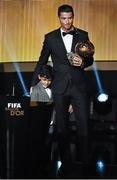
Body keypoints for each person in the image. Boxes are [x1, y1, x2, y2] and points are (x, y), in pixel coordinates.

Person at [31, 4, 94, 171]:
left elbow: (90, 59)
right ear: (59, 18)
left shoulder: (83, 34)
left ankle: (87, 164)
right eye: (64, 18)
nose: (67, 21)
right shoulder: (50, 37)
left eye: (70, 18)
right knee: (62, 127)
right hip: (59, 87)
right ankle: (66, 164)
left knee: (84, 125)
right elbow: (42, 61)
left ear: (73, 17)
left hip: (79, 87)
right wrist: (33, 84)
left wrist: (84, 62)